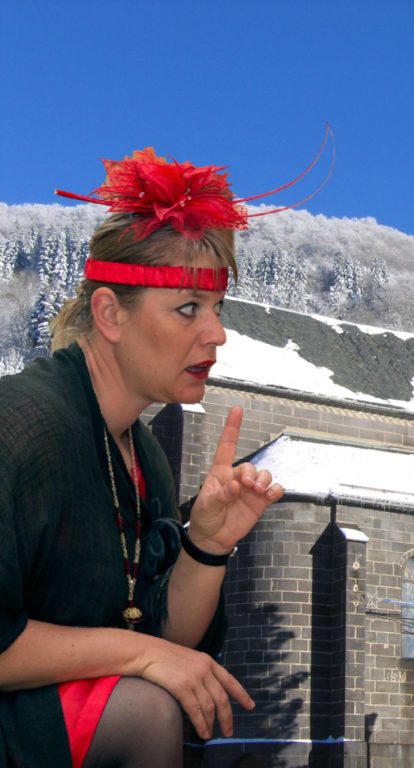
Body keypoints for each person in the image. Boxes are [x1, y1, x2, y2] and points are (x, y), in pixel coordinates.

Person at [0, 148, 290, 767]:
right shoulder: (21, 426)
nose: (216, 335)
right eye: (188, 309)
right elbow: (143, 657)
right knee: (146, 710)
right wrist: (139, 656)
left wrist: (206, 546)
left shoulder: (144, 456)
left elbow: (161, 634)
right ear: (109, 314)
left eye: (217, 310)